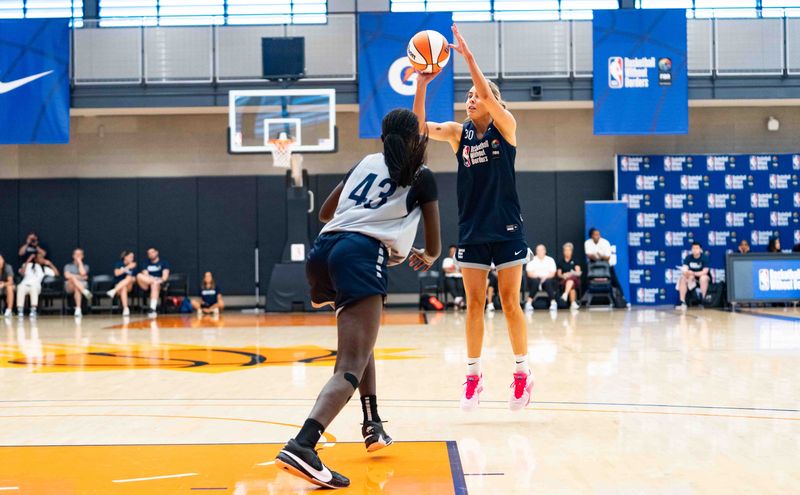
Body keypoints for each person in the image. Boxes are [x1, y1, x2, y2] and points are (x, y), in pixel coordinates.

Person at [274, 108, 441, 489]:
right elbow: (434, 245)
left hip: (324, 251)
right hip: (360, 255)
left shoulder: (365, 162)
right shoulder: (422, 176)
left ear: (382, 139)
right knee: (349, 363)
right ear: (417, 140)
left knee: (360, 347)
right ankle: (304, 444)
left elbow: (325, 212)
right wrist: (425, 254)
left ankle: (373, 424)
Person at [413, 23, 533, 412]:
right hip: (473, 230)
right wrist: (422, 84)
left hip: (507, 227)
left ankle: (521, 373)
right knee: (474, 304)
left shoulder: (507, 128)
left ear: (492, 102)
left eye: (475, 97)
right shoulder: (457, 134)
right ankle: (473, 377)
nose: (470, 100)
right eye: (466, 96)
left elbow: (484, 91)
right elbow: (416, 133)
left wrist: (468, 58)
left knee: (511, 302)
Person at [16, 252, 58, 318]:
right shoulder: (28, 265)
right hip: (25, 284)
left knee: (34, 288)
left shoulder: (44, 269)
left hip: (35, 285)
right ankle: (20, 310)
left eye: (42, 258)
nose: (41, 259)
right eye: (39, 258)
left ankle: (33, 310)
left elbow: (56, 274)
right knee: (20, 287)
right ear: (35, 259)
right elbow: (22, 273)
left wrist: (50, 264)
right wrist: (28, 261)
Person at [676, 242, 710, 311]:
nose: (695, 250)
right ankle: (682, 302)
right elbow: (684, 269)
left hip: (702, 277)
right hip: (691, 277)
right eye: (693, 248)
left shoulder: (704, 257)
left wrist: (693, 273)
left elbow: (705, 271)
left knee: (703, 278)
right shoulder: (688, 258)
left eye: (697, 248)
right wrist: (686, 273)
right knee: (683, 278)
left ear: (700, 249)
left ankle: (702, 300)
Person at [524, 244, 558, 312]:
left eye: (542, 250)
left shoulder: (550, 260)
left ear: (545, 251)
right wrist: (538, 276)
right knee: (535, 282)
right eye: (538, 250)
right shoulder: (531, 259)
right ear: (536, 251)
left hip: (547, 279)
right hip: (534, 279)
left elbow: (553, 273)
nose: (540, 252)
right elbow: (529, 273)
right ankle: (529, 303)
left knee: (548, 282)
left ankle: (553, 302)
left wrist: (545, 277)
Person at [137, 247, 170, 317]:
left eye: (152, 252)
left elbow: (165, 277)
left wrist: (157, 281)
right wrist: (152, 280)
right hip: (147, 283)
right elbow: (146, 275)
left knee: (154, 284)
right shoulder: (145, 263)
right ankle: (154, 282)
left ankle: (152, 309)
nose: (150, 254)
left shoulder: (163, 263)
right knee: (139, 275)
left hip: (159, 284)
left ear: (156, 252)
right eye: (149, 253)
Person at [107, 250, 137, 317]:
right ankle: (126, 309)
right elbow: (116, 273)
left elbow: (135, 278)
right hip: (119, 286)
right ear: (125, 257)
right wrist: (128, 267)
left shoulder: (134, 265)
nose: (132, 258)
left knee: (129, 277)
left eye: (133, 257)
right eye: (130, 257)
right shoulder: (119, 264)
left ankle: (113, 291)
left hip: (130, 286)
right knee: (123, 287)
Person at [63, 248, 93, 317]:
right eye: (76, 254)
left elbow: (83, 273)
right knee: (72, 279)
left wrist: (79, 262)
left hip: (81, 285)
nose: (78, 256)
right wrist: (80, 277)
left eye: (80, 254)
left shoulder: (85, 266)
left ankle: (78, 309)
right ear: (73, 256)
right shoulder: (68, 266)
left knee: (77, 288)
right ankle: (85, 291)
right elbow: (67, 276)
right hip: (69, 286)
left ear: (82, 256)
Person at [558, 242, 582, 310]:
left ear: (571, 251)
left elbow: (578, 272)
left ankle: (565, 294)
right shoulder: (560, 262)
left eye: (569, 250)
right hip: (564, 280)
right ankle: (573, 303)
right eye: (565, 250)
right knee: (571, 284)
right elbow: (559, 274)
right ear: (563, 251)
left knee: (572, 279)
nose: (567, 252)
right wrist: (563, 275)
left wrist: (571, 273)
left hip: (575, 279)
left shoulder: (575, 261)